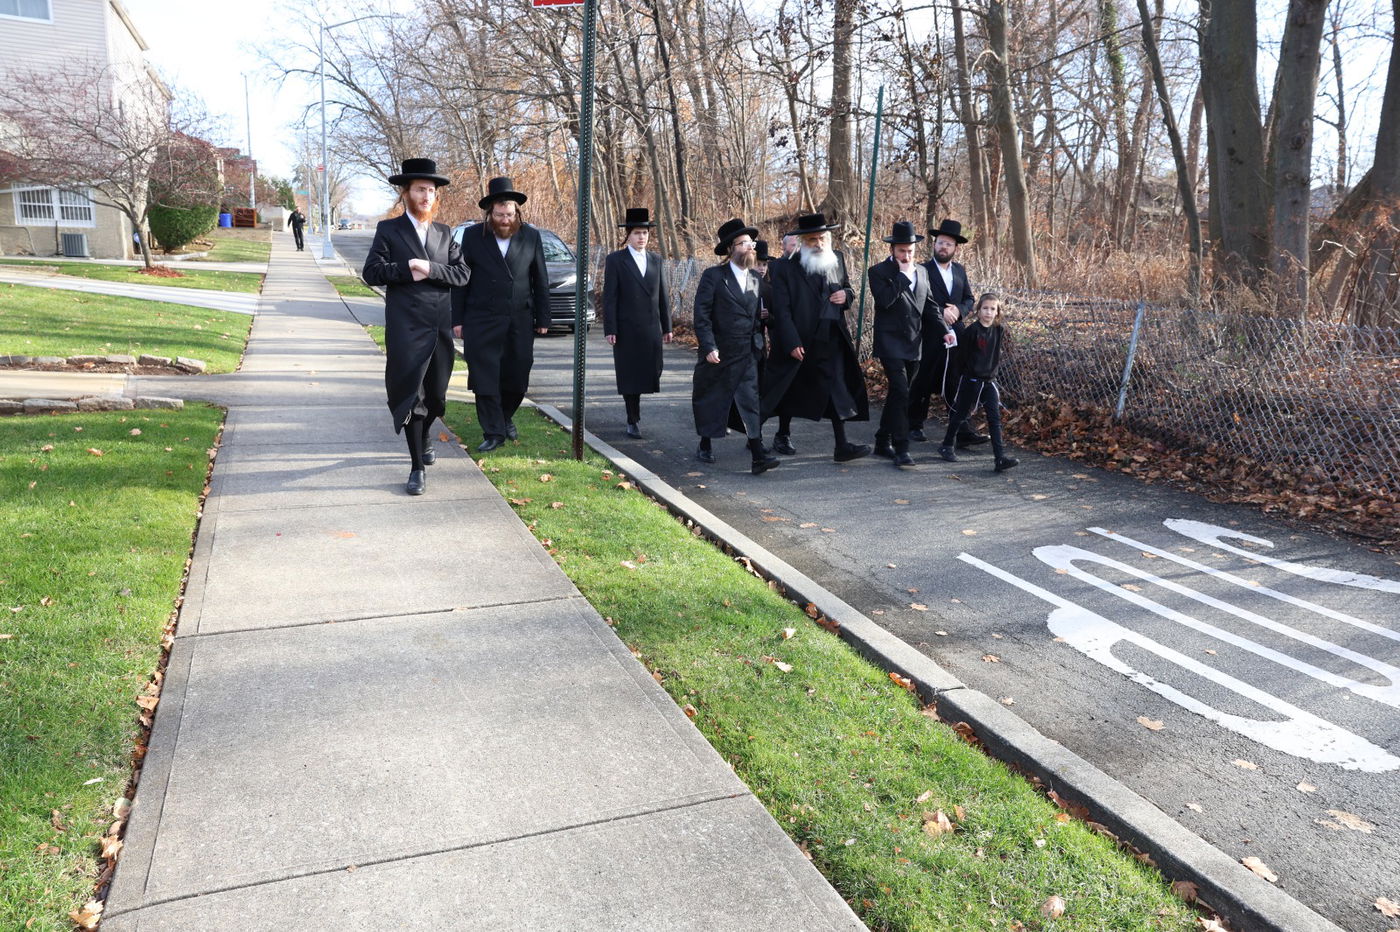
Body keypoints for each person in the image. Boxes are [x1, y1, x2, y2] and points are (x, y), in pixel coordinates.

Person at [362, 158, 470, 495]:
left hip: (439, 327)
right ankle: (416, 468)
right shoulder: (389, 230)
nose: (427, 196)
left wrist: (430, 268)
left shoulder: (444, 232)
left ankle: (424, 438)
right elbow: (371, 273)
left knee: (436, 398)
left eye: (432, 191)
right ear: (406, 192)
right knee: (412, 396)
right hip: (406, 326)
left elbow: (463, 274)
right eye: (421, 189)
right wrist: (407, 268)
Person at [761, 212, 871, 463]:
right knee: (785, 389)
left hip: (831, 336)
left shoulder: (837, 259)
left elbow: (848, 288)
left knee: (835, 387)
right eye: (812, 240)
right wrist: (790, 342)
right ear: (802, 242)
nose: (819, 244)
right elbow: (782, 309)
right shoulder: (785, 269)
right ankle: (768, 436)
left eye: (822, 238)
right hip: (800, 339)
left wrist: (847, 295)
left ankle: (842, 445)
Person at [451, 177, 551, 452]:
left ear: (516, 213)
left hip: (519, 318)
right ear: (490, 213)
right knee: (485, 377)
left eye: (509, 214)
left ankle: (505, 417)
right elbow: (462, 279)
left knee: (518, 376)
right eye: (500, 215)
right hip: (481, 319)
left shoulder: (530, 235)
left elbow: (539, 278)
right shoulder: (472, 236)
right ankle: (493, 431)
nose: (505, 220)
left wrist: (544, 318)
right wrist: (456, 319)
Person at [691, 218, 781, 475]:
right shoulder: (714, 277)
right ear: (731, 248)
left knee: (750, 401)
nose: (750, 248)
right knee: (713, 398)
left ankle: (757, 455)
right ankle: (705, 443)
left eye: (751, 243)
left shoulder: (755, 278)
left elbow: (757, 316)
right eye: (744, 243)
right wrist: (708, 346)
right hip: (719, 351)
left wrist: (760, 340)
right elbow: (702, 314)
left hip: (747, 351)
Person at [866, 221, 932, 469]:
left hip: (915, 343)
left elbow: (930, 306)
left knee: (898, 393)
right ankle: (901, 448)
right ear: (893, 250)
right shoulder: (878, 272)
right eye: (902, 251)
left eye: (910, 251)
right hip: (890, 342)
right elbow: (884, 301)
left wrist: (946, 330)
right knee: (902, 392)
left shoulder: (923, 272)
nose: (907, 256)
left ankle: (882, 440)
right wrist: (903, 277)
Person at [908, 218, 980, 446]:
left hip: (957, 335)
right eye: (940, 243)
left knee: (955, 381)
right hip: (929, 334)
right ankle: (914, 425)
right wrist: (941, 312)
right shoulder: (922, 269)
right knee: (924, 379)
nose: (943, 247)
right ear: (934, 245)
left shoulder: (960, 271)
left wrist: (959, 310)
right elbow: (916, 300)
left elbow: (969, 298)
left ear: (955, 248)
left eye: (948, 244)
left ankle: (961, 429)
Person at [603, 207, 671, 439]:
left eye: (645, 233)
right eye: (637, 233)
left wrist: (668, 327)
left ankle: (636, 410)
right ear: (628, 235)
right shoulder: (616, 260)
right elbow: (609, 296)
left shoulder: (656, 260)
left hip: (652, 327)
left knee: (654, 368)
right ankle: (633, 418)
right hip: (627, 329)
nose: (641, 237)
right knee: (630, 376)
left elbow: (663, 295)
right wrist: (610, 328)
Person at [938, 292, 1018, 472]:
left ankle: (1000, 458)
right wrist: (965, 376)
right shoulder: (971, 331)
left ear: (997, 312)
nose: (988, 312)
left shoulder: (999, 330)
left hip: (989, 382)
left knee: (994, 418)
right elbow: (961, 357)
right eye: (985, 308)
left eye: (992, 309)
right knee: (960, 414)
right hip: (971, 380)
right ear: (978, 310)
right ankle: (947, 445)